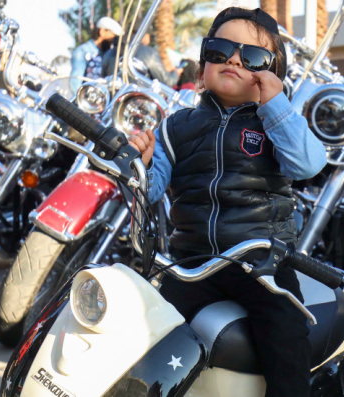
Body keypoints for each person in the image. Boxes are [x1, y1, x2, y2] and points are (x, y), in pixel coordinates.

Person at [127, 7, 326, 397]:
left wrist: (277, 106)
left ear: (271, 75)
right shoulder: (176, 125)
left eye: (252, 57)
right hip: (191, 262)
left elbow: (308, 165)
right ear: (203, 65)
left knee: (286, 336)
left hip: (262, 262)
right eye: (220, 50)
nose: (233, 59)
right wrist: (140, 166)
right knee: (150, 332)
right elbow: (151, 191)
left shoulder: (275, 122)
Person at [101, 20, 179, 87]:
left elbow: (104, 80)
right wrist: (176, 72)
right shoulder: (150, 53)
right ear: (144, 35)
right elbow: (166, 81)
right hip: (140, 102)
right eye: (150, 36)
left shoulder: (109, 53)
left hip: (114, 101)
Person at [70, 16, 122, 92]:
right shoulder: (83, 51)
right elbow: (75, 81)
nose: (115, 40)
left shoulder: (111, 54)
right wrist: (80, 101)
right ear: (102, 31)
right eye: (114, 36)